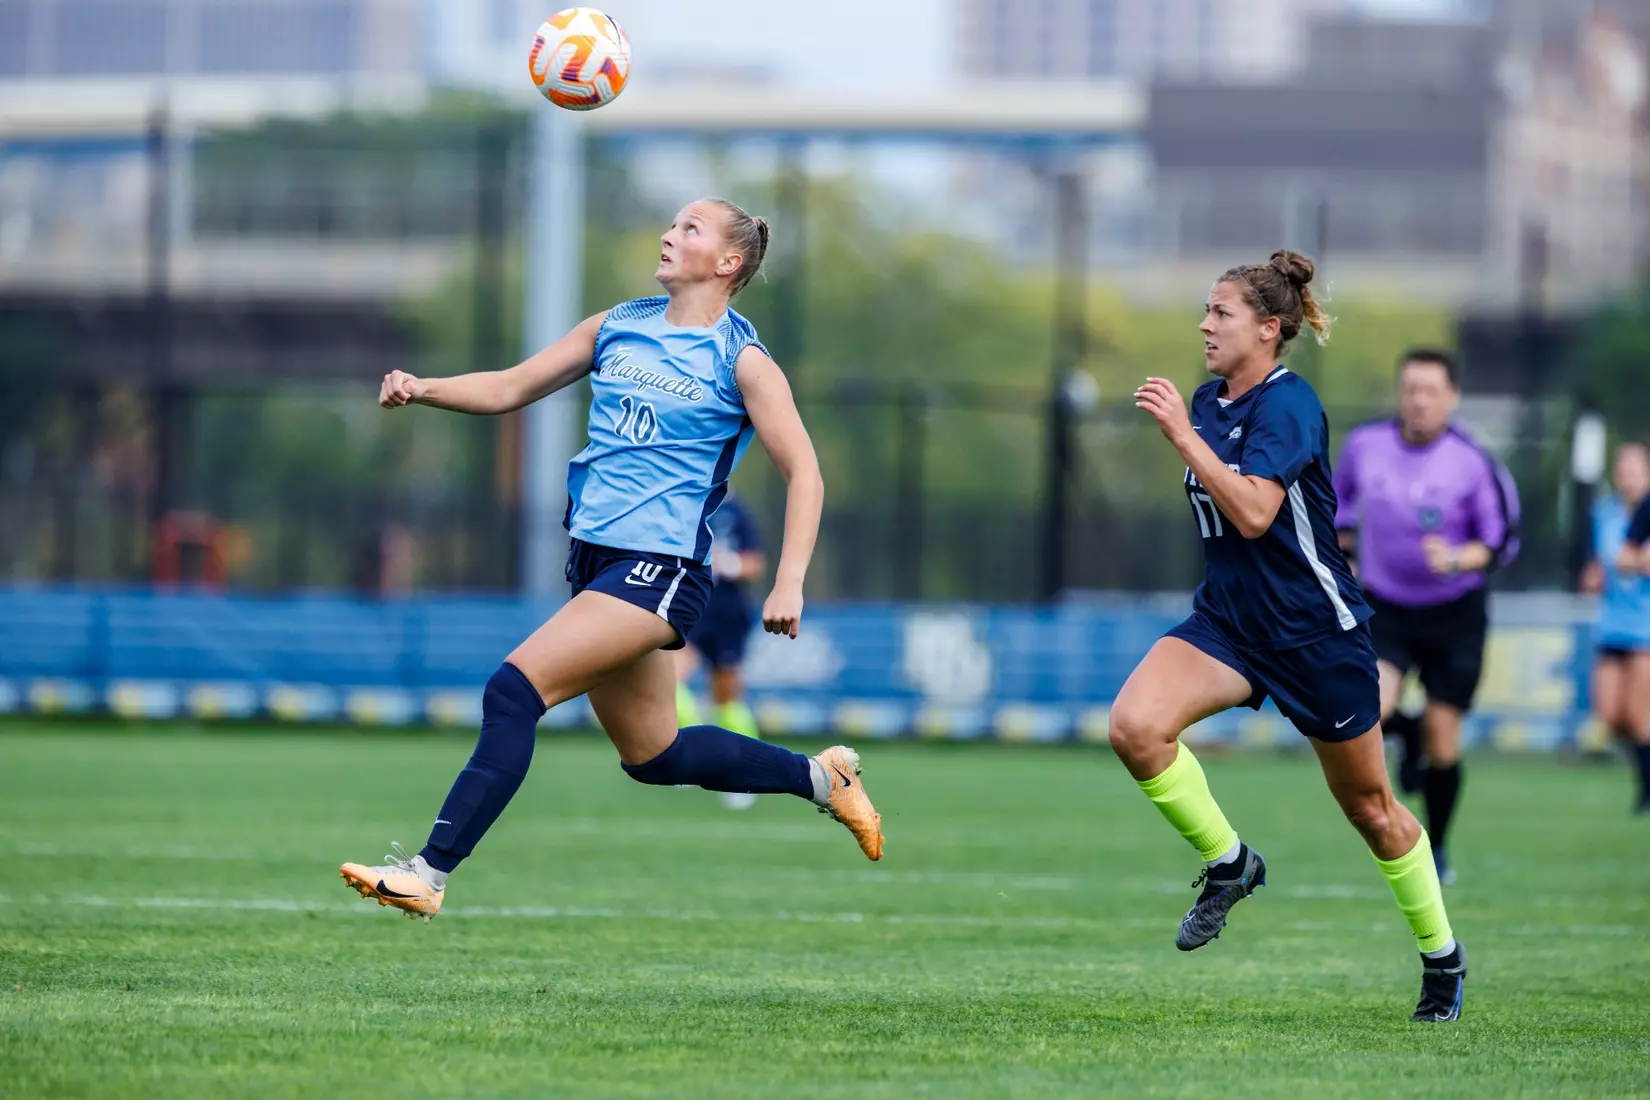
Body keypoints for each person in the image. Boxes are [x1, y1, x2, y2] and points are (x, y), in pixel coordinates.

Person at [340, 199, 885, 921]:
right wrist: (423, 387)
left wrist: (788, 581)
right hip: (595, 563)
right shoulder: (617, 325)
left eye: (690, 229)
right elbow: (512, 385)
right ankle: (823, 779)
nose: (668, 235)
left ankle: (428, 873)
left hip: (660, 569)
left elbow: (805, 473)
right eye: (673, 224)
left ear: (728, 262)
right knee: (655, 756)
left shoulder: (743, 360)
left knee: (513, 693)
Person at [1119, 250, 1465, 1023]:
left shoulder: (1290, 404)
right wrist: (1191, 428)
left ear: (1268, 329)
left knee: (1372, 811)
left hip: (1315, 635)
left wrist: (1182, 436)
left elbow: (1254, 513)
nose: (1204, 325)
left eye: (1221, 312)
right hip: (1229, 624)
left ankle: (1442, 956)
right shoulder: (1208, 403)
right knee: (1135, 728)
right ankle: (1230, 864)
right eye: (1206, 311)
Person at [1331, 350, 1520, 885]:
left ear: (1451, 398)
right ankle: (1406, 733)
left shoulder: (1472, 460)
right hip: (1386, 607)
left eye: (1430, 391)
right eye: (1410, 389)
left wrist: (1457, 558)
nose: (1418, 400)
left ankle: (1437, 846)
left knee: (1443, 736)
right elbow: (1335, 509)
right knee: (1367, 710)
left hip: (1455, 616)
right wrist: (1346, 555)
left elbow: (1501, 541)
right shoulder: (1365, 446)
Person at [674, 491, 767, 811]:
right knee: (670, 677)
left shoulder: (736, 512)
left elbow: (754, 563)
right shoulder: (685, 501)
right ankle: (685, 754)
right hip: (690, 605)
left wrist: (729, 563)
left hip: (727, 612)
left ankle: (746, 772)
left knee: (727, 697)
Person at [1585, 442, 1650, 813]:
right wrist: (1594, 574)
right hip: (1611, 624)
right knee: (1610, 715)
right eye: (1622, 471)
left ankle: (1646, 792)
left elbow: (1631, 560)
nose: (1628, 479)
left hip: (1644, 626)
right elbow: (1603, 561)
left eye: (1635, 471)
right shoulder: (1604, 514)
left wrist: (1635, 562)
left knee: (1639, 715)